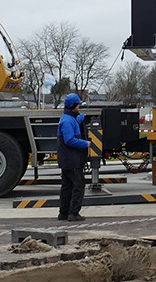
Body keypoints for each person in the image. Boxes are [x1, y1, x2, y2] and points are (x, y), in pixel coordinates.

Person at [57, 92, 90, 221]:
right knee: (78, 186)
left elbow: (70, 125)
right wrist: (85, 143)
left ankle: (63, 213)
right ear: (73, 106)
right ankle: (73, 213)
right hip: (72, 161)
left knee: (66, 186)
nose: (79, 107)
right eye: (78, 105)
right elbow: (69, 140)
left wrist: (78, 120)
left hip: (67, 160)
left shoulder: (68, 119)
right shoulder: (67, 121)